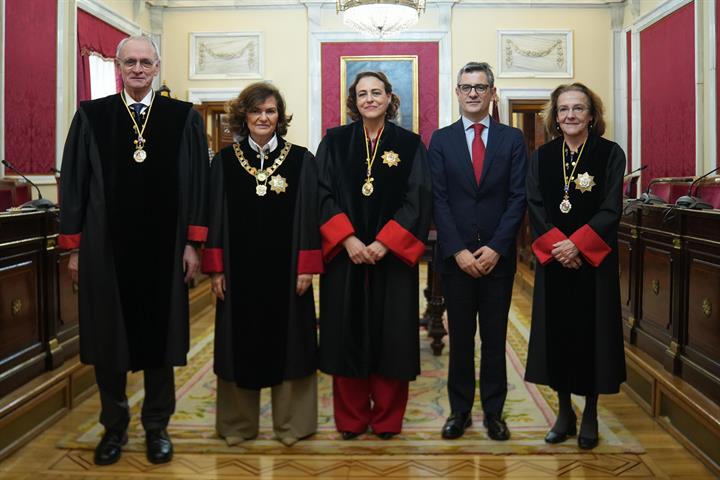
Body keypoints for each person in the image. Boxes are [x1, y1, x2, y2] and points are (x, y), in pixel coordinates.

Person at [58, 36, 208, 465]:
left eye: (146, 61)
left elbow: (197, 183)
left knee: (160, 344)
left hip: (165, 253)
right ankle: (114, 427)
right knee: (108, 344)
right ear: (118, 68)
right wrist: (74, 250)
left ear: (157, 66)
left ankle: (157, 427)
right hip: (106, 250)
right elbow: (74, 186)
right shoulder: (93, 117)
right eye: (130, 62)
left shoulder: (182, 119)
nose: (138, 69)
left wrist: (193, 243)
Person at [202, 82, 321, 447]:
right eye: (256, 111)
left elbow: (309, 217)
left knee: (294, 345)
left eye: (270, 111)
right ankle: (238, 425)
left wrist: (306, 267)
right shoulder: (224, 161)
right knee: (239, 344)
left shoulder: (302, 159)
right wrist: (217, 269)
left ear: (279, 117)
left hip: (288, 275)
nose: (263, 118)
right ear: (244, 116)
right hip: (239, 276)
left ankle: (292, 425)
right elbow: (215, 218)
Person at [314, 71, 432, 440]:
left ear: (388, 97)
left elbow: (419, 198)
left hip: (391, 259)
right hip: (345, 256)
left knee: (391, 337)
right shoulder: (334, 142)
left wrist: (385, 242)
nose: (369, 99)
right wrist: (346, 239)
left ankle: (386, 419)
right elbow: (321, 194)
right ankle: (350, 419)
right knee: (344, 333)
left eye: (376, 92)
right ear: (354, 100)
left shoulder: (410, 144)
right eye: (362, 93)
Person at [524, 82, 626, 450]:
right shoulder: (542, 156)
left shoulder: (611, 154)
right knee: (559, 335)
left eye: (578, 109)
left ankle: (591, 413)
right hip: (555, 262)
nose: (570, 115)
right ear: (555, 115)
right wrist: (558, 248)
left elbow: (611, 207)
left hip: (593, 264)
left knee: (592, 336)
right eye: (563, 109)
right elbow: (534, 205)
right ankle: (564, 412)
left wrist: (578, 246)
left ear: (591, 115)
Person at [428, 62, 527, 441]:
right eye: (466, 87)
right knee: (461, 340)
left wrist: (496, 249)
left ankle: (494, 413)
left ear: (492, 93)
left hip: (497, 261)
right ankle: (459, 412)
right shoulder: (441, 140)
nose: (473, 93)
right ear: (457, 92)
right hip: (456, 262)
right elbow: (438, 199)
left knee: (494, 339)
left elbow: (517, 198)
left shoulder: (512, 140)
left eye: (480, 87)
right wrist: (458, 251)